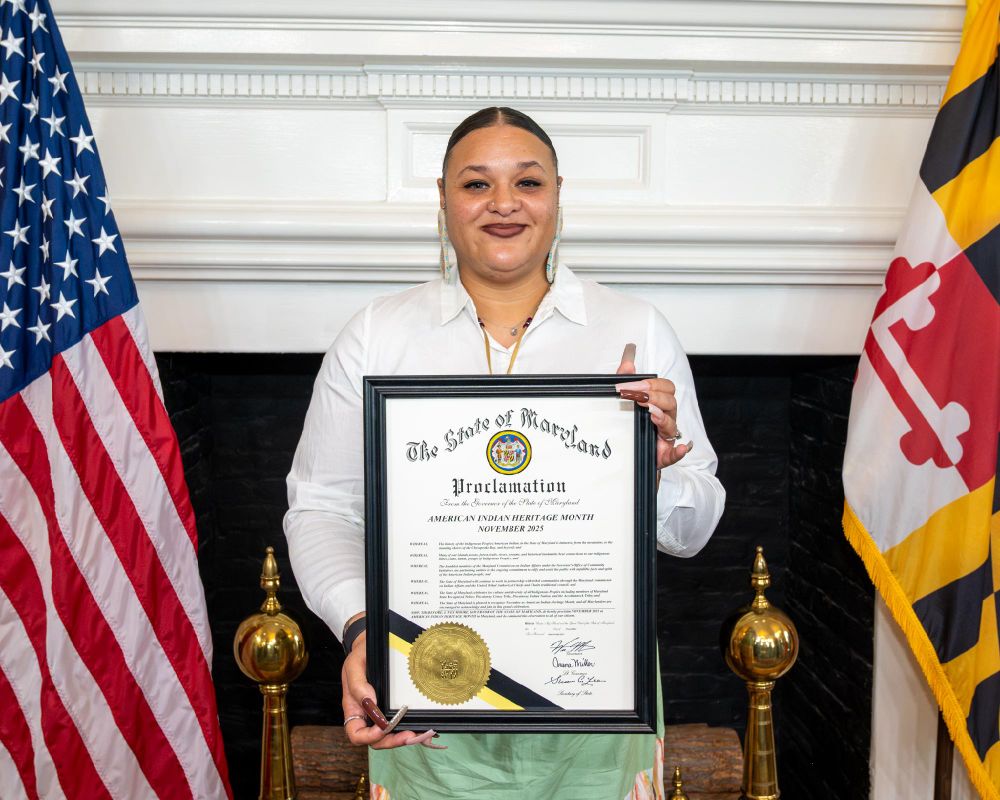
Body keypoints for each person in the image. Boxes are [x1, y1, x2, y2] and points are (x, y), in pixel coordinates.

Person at [284, 106, 725, 799]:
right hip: (430, 699)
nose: (504, 205)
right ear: (442, 198)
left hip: (592, 704)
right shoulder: (377, 334)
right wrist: (362, 627)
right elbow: (321, 507)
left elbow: (690, 533)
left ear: (557, 195)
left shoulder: (633, 327)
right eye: (475, 184)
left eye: (528, 182)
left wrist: (656, 470)